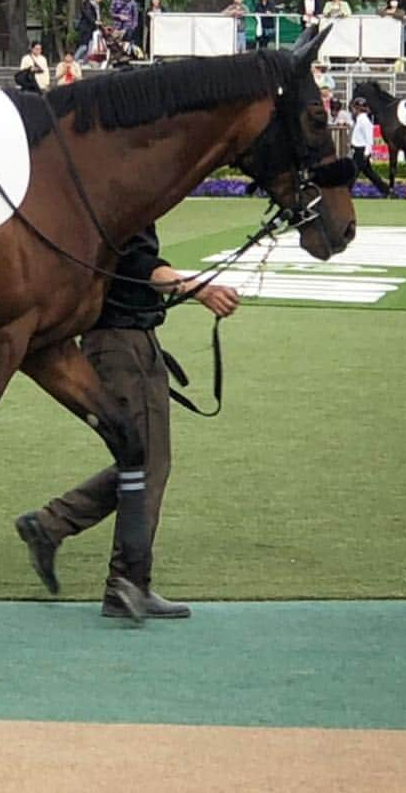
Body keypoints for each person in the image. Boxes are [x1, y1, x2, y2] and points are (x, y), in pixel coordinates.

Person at [15, 224, 239, 620]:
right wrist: (199, 288)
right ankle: (125, 581)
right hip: (119, 341)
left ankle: (51, 526)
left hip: (133, 338)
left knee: (147, 461)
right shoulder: (118, 206)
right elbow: (135, 264)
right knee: (147, 462)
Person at [349, 97, 389, 196]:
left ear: (358, 109)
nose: (353, 110)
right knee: (369, 173)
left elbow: (369, 139)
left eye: (354, 108)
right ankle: (386, 190)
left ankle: (346, 192)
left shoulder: (364, 120)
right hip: (358, 150)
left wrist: (367, 153)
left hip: (361, 151)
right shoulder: (359, 119)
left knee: (353, 172)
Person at [75, 0, 103, 65]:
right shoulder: (87, 4)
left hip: (92, 29)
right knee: (84, 46)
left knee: (90, 46)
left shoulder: (96, 6)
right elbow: (88, 15)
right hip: (85, 28)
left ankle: (84, 62)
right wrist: (95, 21)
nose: (100, 0)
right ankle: (75, 60)